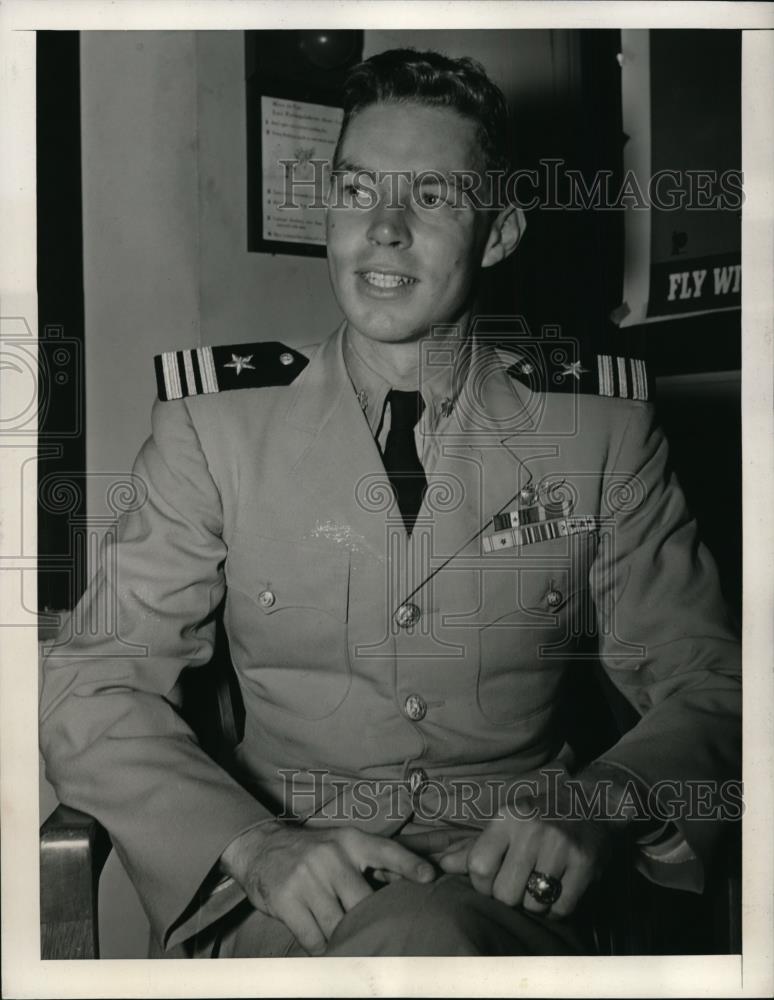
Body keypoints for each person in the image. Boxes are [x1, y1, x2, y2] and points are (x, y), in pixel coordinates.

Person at [40, 48, 741, 958]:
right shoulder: (216, 430)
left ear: (499, 234)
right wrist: (250, 846)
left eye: (435, 197)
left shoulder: (597, 432)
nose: (384, 230)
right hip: (291, 892)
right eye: (358, 191)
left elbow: (714, 685)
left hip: (511, 892)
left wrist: (597, 802)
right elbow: (93, 681)